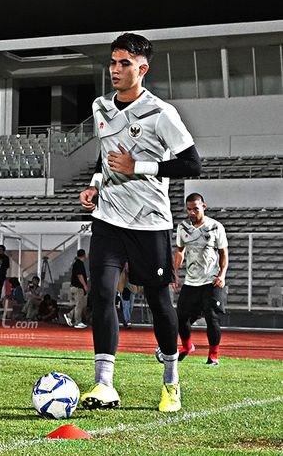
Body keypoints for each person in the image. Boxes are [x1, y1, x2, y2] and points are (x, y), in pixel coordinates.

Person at [78, 33, 202, 413]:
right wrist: (95, 186)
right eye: (113, 62)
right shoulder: (101, 106)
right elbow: (104, 157)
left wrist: (139, 167)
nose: (116, 70)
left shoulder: (161, 113)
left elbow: (192, 163)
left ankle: (170, 383)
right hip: (108, 219)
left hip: (150, 222)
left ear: (142, 68)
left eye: (124, 63)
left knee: (159, 301)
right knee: (101, 294)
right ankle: (104, 385)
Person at [172, 193, 228, 366]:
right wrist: (175, 272)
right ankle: (187, 347)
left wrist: (222, 275)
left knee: (212, 318)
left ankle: (213, 356)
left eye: (195, 208)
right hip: (191, 282)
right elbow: (180, 251)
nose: (192, 212)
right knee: (180, 318)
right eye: (189, 209)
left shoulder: (215, 227)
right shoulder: (183, 228)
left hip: (212, 281)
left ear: (203, 206)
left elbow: (223, 252)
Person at [65, 249, 89, 329]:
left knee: (81, 304)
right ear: (84, 255)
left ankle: (70, 315)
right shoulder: (79, 263)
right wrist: (85, 285)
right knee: (79, 304)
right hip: (78, 287)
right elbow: (79, 276)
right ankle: (77, 322)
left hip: (76, 287)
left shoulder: (77, 263)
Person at [118, 264, 136, 329]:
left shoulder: (133, 270)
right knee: (126, 305)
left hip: (132, 289)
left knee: (130, 305)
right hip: (123, 288)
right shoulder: (121, 271)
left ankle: (127, 319)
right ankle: (127, 320)